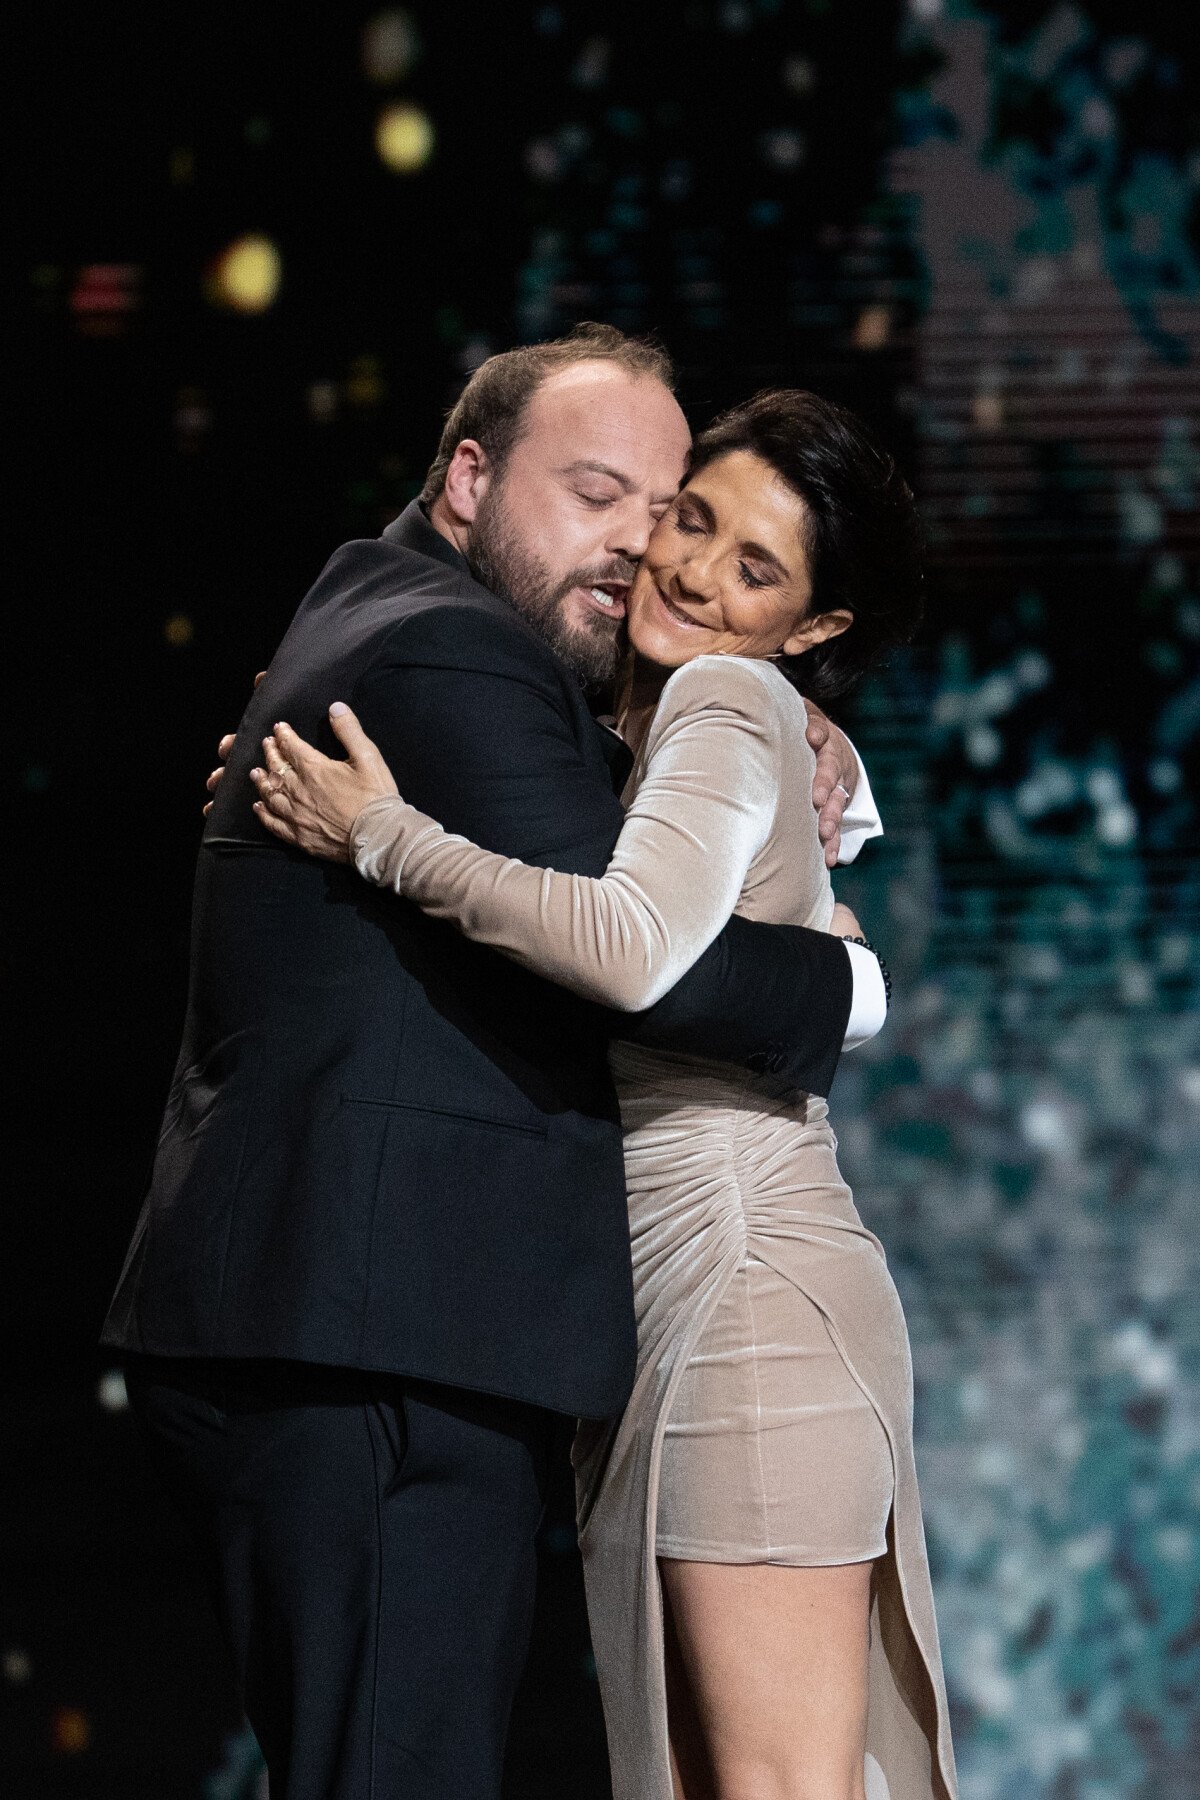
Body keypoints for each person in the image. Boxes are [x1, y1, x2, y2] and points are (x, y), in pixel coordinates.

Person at [102, 327, 887, 1800]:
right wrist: (847, 980)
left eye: (672, 511)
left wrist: (780, 728)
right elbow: (640, 955)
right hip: (378, 1347)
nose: (645, 550)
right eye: (597, 494)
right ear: (467, 479)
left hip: (350, 1337)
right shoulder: (455, 648)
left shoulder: (381, 614)